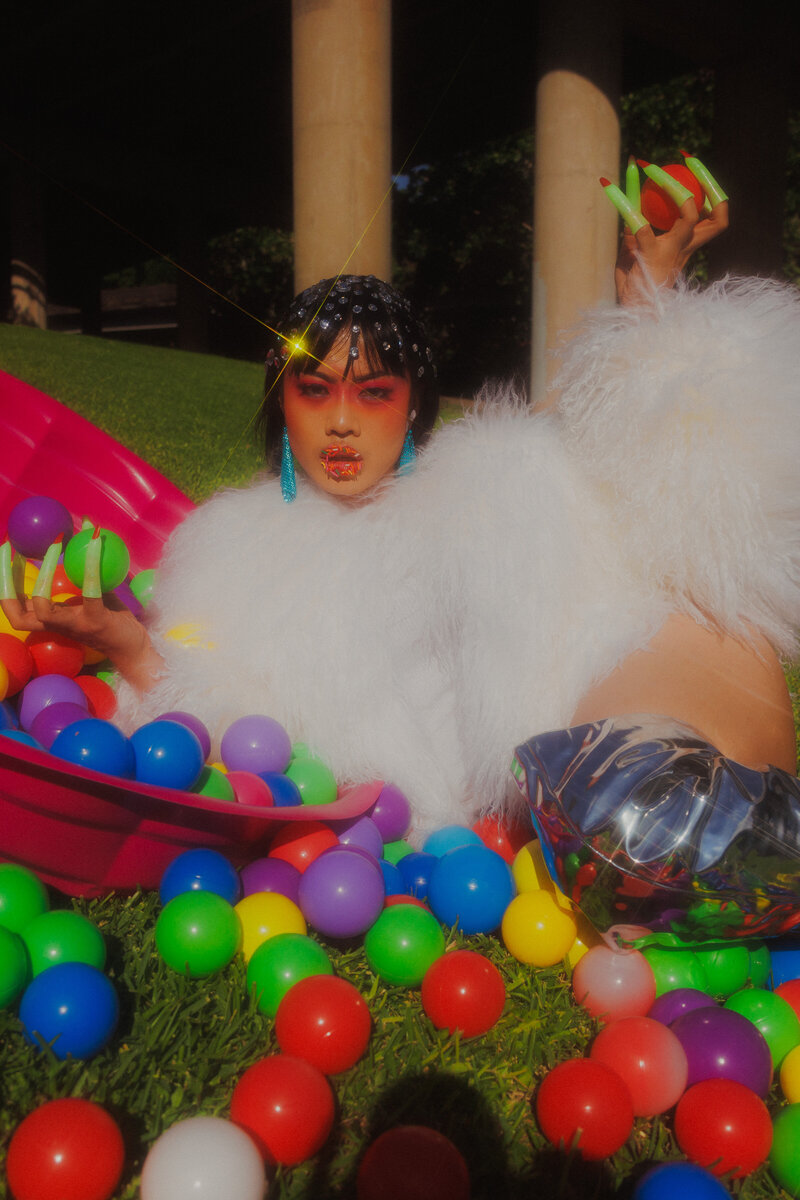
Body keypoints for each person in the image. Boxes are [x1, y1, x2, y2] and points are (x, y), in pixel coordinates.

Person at [5, 161, 795, 864]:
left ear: (412, 406)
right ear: (283, 405)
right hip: (490, 831)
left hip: (593, 756)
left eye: (373, 391)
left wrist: (648, 290)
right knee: (647, 830)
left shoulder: (491, 482)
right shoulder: (233, 549)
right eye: (315, 390)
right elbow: (218, 710)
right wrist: (126, 643)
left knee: (699, 679)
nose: (342, 421)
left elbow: (649, 465)